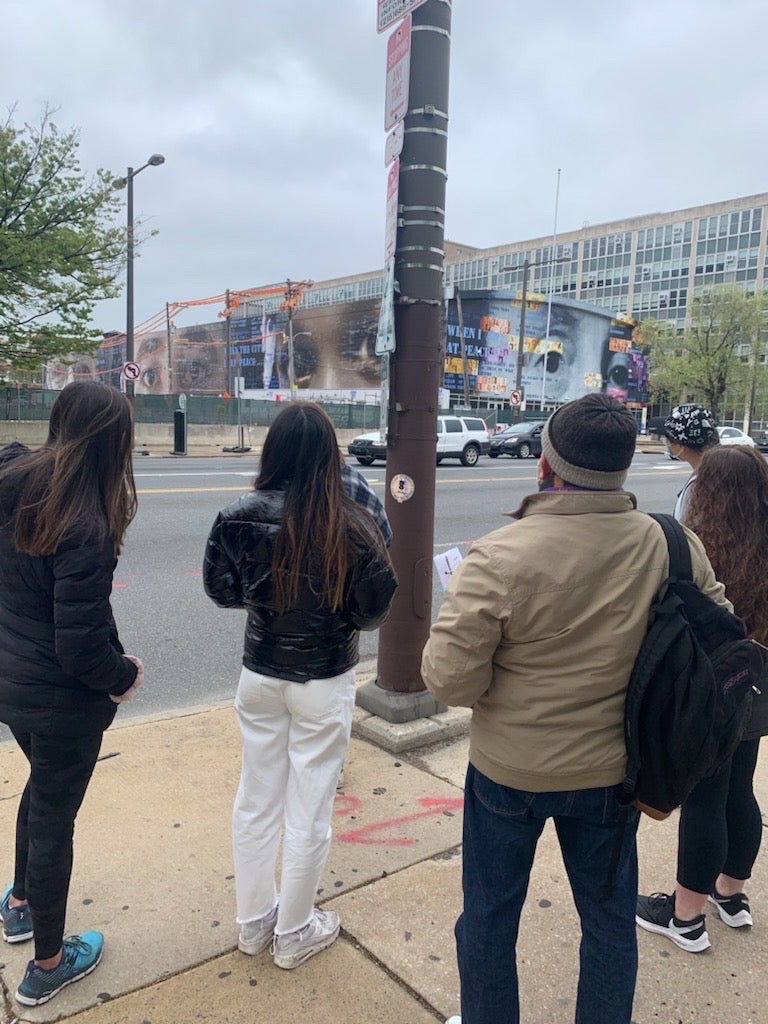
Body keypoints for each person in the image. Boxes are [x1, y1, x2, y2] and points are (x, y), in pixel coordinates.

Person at [421, 393, 730, 1024]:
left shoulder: (499, 555)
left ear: (547, 461)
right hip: (617, 773)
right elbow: (720, 635)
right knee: (609, 921)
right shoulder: (672, 544)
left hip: (509, 773)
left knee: (487, 915)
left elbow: (447, 681)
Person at [203, 401, 397, 971]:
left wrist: (267, 606)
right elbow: (373, 610)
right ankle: (293, 932)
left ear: (274, 449)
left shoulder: (238, 514)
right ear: (328, 454)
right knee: (309, 807)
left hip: (260, 671)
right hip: (324, 677)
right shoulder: (353, 522)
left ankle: (252, 922)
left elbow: (221, 591)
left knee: (255, 798)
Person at [0, 381, 144, 1007]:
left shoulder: (12, 476)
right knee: (56, 814)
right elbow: (80, 644)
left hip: (13, 683)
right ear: (114, 444)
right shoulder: (83, 520)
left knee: (41, 788)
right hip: (60, 699)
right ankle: (49, 964)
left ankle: (20, 904)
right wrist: (123, 676)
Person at [636, 445, 768, 952]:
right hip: (760, 685)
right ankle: (731, 894)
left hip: (714, 691)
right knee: (743, 787)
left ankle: (686, 916)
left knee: (705, 798)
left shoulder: (700, 547)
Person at [662, 403, 719, 519]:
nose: (667, 444)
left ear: (681, 446)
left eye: (668, 440)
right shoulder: (725, 471)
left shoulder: (698, 486)